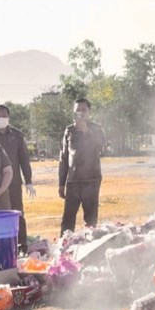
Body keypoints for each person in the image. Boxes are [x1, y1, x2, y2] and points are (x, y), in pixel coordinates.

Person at [58, 98, 106, 234]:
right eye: (77, 110)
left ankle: (89, 250)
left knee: (90, 221)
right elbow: (64, 158)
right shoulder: (69, 130)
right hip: (73, 181)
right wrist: (61, 183)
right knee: (67, 221)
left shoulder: (96, 129)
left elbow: (101, 148)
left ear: (89, 112)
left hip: (91, 180)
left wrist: (86, 131)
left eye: (84, 110)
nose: (81, 113)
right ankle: (64, 250)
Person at [0, 104, 35, 250]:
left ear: (8, 117)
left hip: (14, 182)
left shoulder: (17, 135)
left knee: (17, 212)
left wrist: (28, 181)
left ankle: (22, 244)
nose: (1, 118)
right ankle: (0, 244)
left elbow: (24, 159)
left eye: (4, 116)